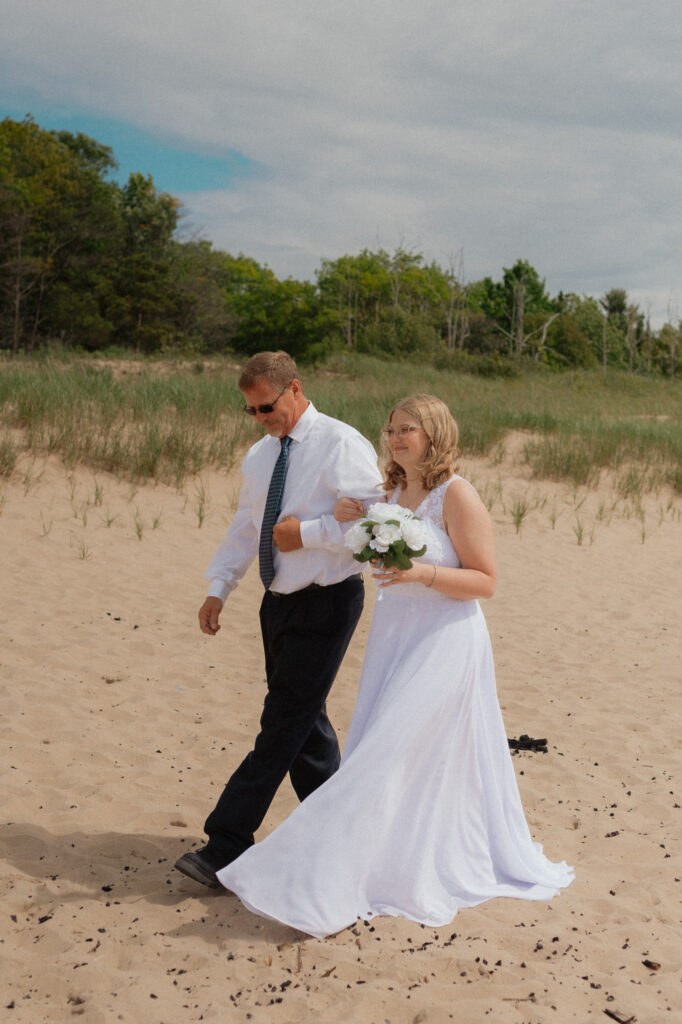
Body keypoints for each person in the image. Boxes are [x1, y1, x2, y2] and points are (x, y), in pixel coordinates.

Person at [216, 394, 574, 937]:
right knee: (392, 750)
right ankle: (385, 852)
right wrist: (342, 522)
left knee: (388, 751)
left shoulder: (457, 494)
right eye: (391, 428)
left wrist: (421, 575)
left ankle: (347, 864)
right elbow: (368, 550)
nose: (395, 436)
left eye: (409, 428)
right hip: (394, 636)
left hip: (444, 640)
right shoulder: (391, 493)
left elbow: (486, 582)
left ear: (435, 434)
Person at [175, 351, 382, 888]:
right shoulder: (260, 456)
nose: (262, 419)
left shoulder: (342, 443)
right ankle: (341, 835)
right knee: (305, 727)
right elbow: (247, 526)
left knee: (283, 722)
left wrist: (307, 533)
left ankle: (226, 844)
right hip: (278, 602)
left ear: (295, 389)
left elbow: (375, 529)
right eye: (251, 411)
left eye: (266, 407)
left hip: (329, 601)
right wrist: (219, 588)